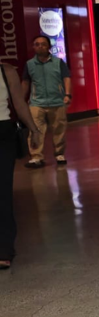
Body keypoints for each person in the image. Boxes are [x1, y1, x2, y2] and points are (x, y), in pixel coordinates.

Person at [1, 62, 39, 269]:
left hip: (2, 134)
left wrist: (33, 129)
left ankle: (4, 247)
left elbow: (19, 103)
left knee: (3, 193)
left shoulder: (6, 71)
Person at [23, 35, 71, 168]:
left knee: (59, 130)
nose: (40, 46)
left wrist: (67, 94)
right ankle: (36, 156)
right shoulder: (29, 64)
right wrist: (21, 100)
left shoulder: (58, 62)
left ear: (49, 46)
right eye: (36, 44)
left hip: (57, 101)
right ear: (33, 47)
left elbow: (66, 78)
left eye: (43, 44)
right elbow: (26, 82)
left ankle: (59, 154)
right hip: (37, 103)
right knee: (35, 130)